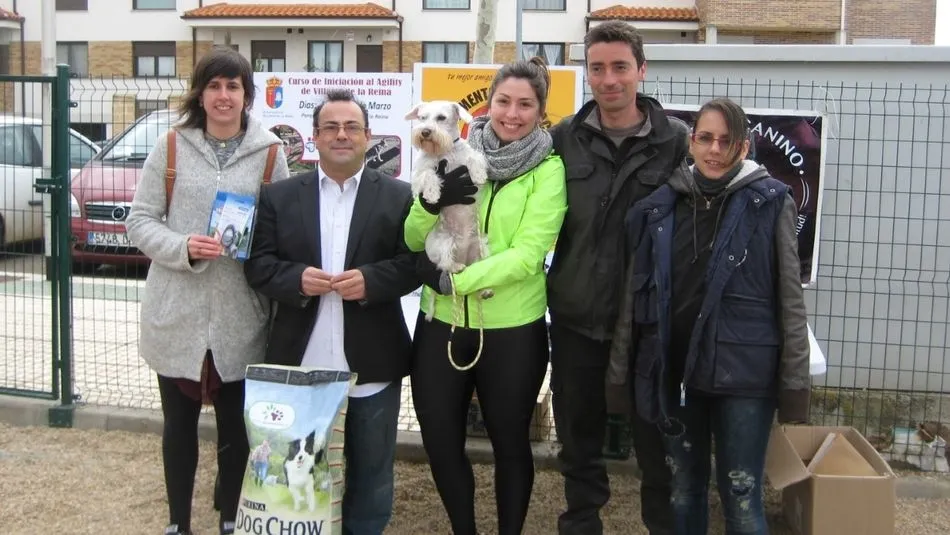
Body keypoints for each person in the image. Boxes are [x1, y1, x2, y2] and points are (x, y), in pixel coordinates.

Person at [609, 97, 810, 534]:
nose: (714, 150)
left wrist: (794, 384)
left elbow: (790, 300)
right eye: (705, 138)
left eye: (726, 140)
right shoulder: (661, 207)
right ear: (691, 143)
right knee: (683, 490)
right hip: (677, 374)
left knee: (741, 494)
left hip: (745, 377)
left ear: (743, 147)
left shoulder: (770, 201)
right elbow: (634, 296)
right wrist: (621, 374)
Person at [125, 46, 290, 535]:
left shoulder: (270, 154)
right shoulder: (171, 146)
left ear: (247, 95)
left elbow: (280, 230)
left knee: (236, 432)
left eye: (232, 86)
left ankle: (230, 519)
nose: (223, 96)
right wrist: (183, 247)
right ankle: (178, 523)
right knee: (178, 429)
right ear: (200, 92)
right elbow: (139, 220)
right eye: (214, 86)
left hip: (241, 316)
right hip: (177, 314)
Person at [244, 88, 419, 535]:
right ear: (315, 137)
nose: (341, 135)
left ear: (368, 136)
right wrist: (295, 279)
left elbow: (413, 265)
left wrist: (373, 282)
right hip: (298, 366)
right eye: (331, 127)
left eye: (351, 127)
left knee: (371, 478)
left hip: (372, 366)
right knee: (296, 477)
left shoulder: (400, 196)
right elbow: (258, 265)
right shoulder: (279, 196)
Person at [406, 56, 567, 535]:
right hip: (441, 324)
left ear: (541, 111)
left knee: (511, 444)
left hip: (511, 331)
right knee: (439, 441)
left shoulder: (549, 170)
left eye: (525, 104)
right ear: (487, 104)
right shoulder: (447, 156)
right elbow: (414, 239)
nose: (511, 113)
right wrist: (429, 204)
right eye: (503, 101)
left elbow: (527, 254)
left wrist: (457, 280)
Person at [545, 21, 690, 535]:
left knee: (654, 439)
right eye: (598, 68)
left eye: (620, 67)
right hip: (575, 318)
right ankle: (582, 522)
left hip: (649, 324)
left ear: (642, 70)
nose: (609, 79)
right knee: (577, 437)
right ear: (587, 73)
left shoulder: (677, 142)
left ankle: (662, 525)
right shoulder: (561, 139)